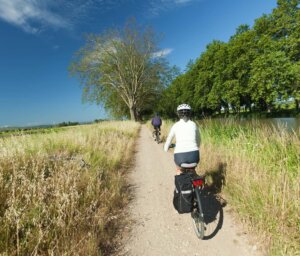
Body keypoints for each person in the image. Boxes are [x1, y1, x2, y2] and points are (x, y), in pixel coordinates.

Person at [164, 104, 200, 174]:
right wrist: (197, 146)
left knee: (179, 169)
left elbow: (169, 138)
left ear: (178, 113)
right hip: (194, 155)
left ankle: (180, 181)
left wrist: (165, 148)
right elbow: (198, 139)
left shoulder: (175, 125)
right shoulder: (194, 124)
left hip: (180, 156)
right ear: (189, 113)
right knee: (192, 170)